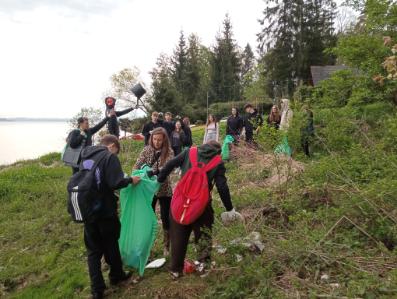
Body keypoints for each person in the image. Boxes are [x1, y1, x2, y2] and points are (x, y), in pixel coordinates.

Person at [156, 141, 242, 278]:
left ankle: (175, 270)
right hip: (202, 205)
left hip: (180, 202)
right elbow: (222, 187)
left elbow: (169, 164)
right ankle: (203, 267)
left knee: (178, 235)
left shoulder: (189, 152)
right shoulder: (218, 162)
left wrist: (159, 180)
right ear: (218, 152)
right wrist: (229, 208)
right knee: (203, 235)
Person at [79, 135, 141, 299]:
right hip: (105, 211)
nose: (116, 154)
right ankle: (116, 276)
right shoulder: (109, 156)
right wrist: (130, 180)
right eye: (117, 151)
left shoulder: (86, 155)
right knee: (111, 243)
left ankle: (97, 290)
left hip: (87, 211)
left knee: (93, 251)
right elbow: (115, 182)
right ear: (112, 145)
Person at [134, 127, 174, 256]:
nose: (157, 142)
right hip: (148, 190)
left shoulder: (169, 152)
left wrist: (155, 172)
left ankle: (167, 245)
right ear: (151, 138)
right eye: (155, 139)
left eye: (159, 140)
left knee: (165, 216)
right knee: (147, 216)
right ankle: (146, 244)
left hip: (164, 188)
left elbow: (167, 168)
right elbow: (137, 165)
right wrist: (140, 172)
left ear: (164, 140)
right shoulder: (146, 150)